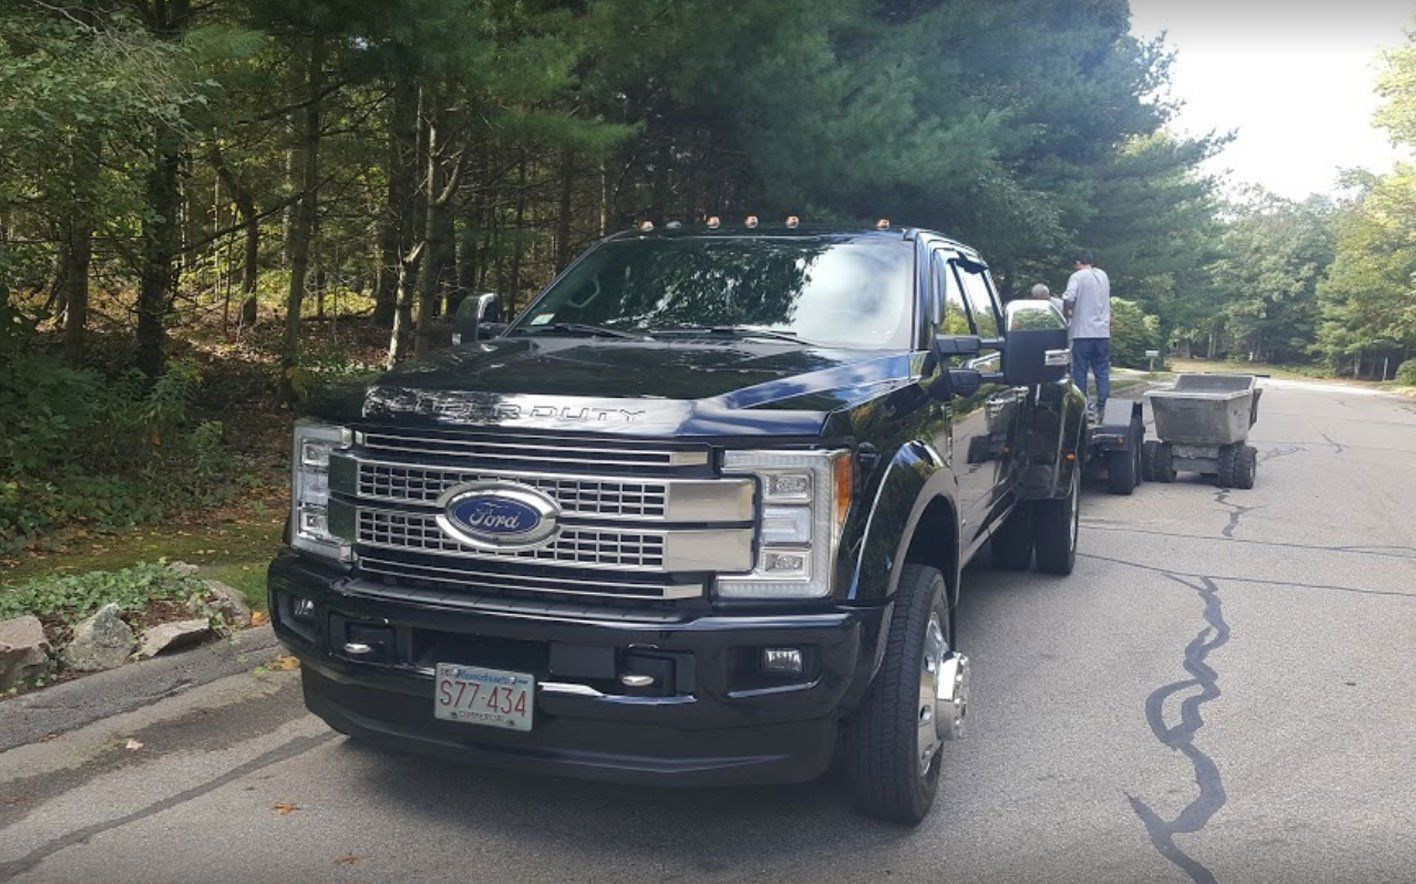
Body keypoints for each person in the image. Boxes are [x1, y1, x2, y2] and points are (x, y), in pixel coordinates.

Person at [1061, 249, 1111, 416]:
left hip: (1082, 332)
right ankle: (1103, 405)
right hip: (1103, 332)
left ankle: (1082, 406)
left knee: (1080, 371)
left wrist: (1067, 313)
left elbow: (1069, 298)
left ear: (1077, 263)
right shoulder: (1103, 276)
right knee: (1102, 370)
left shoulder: (1077, 276)